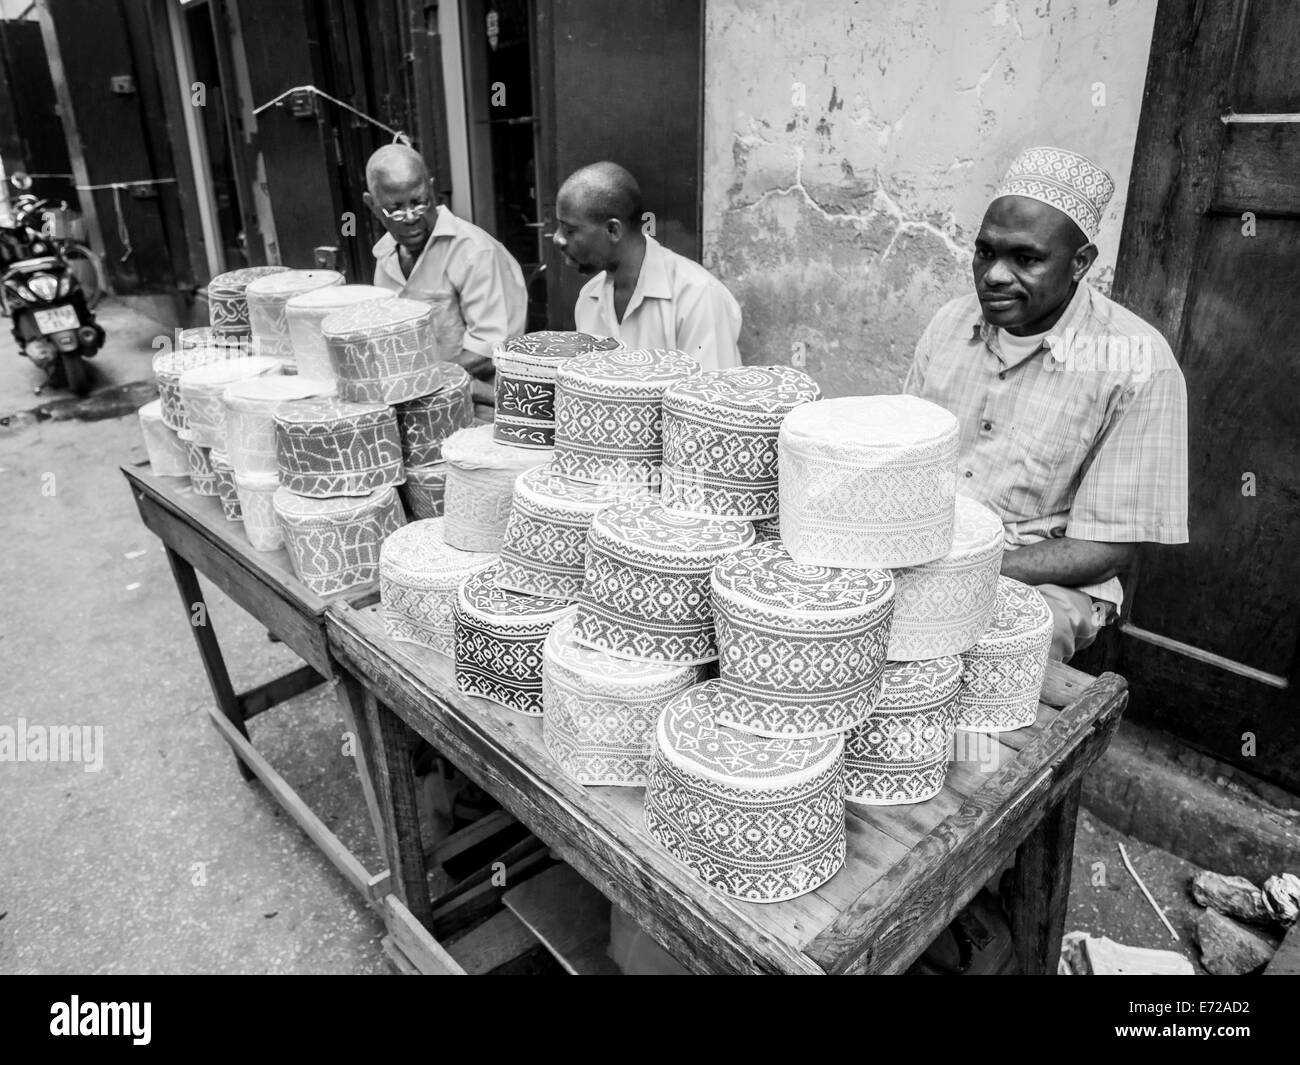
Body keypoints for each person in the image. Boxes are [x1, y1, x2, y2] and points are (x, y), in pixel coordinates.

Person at [904, 146, 1188, 662]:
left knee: (994, 659)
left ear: (1080, 263)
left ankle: (983, 746)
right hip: (928, 548)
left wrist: (962, 572)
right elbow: (904, 458)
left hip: (1041, 577)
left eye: (1026, 258)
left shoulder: (1137, 363)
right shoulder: (950, 324)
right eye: (985, 251)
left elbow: (1106, 549)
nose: (993, 274)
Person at [365, 144, 527, 412]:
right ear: (371, 205)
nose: (410, 218)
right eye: (395, 209)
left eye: (418, 202)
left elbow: (489, 353)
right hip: (418, 407)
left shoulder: (475, 252)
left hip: (481, 412)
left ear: (431, 188)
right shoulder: (384, 256)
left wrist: (415, 382)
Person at [553, 161, 742, 371]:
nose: (557, 239)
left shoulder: (698, 296)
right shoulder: (588, 298)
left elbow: (711, 396)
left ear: (613, 230)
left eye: (569, 230)